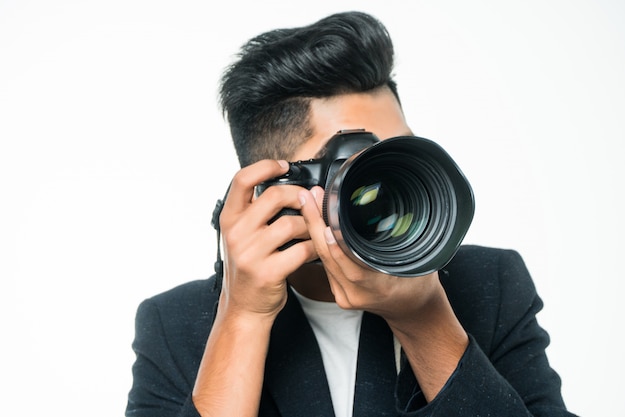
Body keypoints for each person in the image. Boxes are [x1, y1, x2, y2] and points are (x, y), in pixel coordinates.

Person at [125, 11, 577, 417]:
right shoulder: (178, 324)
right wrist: (243, 317)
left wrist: (425, 318)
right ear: (274, 189)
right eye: (359, 167)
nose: (392, 185)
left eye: (401, 153)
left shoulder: (488, 283)